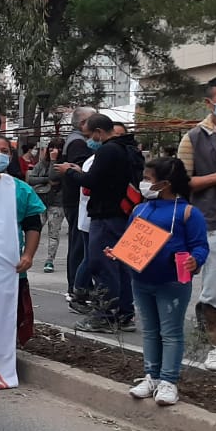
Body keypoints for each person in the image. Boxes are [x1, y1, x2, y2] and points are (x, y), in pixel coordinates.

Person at [109, 158, 209, 406]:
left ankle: (169, 381)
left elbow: (200, 246)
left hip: (172, 283)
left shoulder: (188, 213)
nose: (143, 183)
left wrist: (195, 260)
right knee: (151, 332)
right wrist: (117, 252)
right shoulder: (140, 210)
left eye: (148, 178)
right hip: (140, 280)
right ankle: (151, 376)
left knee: (171, 333)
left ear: (164, 183)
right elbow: (129, 241)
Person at [56, 113, 139, 333]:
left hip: (105, 214)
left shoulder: (107, 151)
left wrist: (71, 173)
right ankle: (124, 313)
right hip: (124, 213)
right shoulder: (130, 149)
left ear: (99, 132)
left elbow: (91, 182)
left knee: (102, 264)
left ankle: (104, 316)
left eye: (89, 135)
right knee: (121, 265)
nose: (89, 140)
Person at [177, 75, 216, 372]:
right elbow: (181, 183)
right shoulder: (194, 137)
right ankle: (214, 345)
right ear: (210, 102)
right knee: (215, 288)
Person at [0, 135, 45, 345]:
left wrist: (28, 255)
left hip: (10, 265)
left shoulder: (22, 189)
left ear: (10, 157)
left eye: (4, 151)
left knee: (9, 317)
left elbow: (33, 225)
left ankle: (5, 360)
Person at [60, 106, 97, 298]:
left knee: (80, 246)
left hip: (75, 200)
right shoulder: (78, 143)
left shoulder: (78, 141)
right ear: (83, 124)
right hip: (77, 200)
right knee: (79, 247)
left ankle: (78, 285)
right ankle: (76, 287)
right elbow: (79, 170)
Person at [27, 138, 66, 273]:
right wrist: (45, 180)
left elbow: (54, 176)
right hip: (41, 201)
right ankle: (26, 254)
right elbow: (31, 179)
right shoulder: (41, 163)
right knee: (34, 229)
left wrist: (54, 160)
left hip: (57, 202)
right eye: (51, 148)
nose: (53, 151)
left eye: (57, 148)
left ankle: (50, 260)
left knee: (53, 233)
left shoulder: (63, 165)